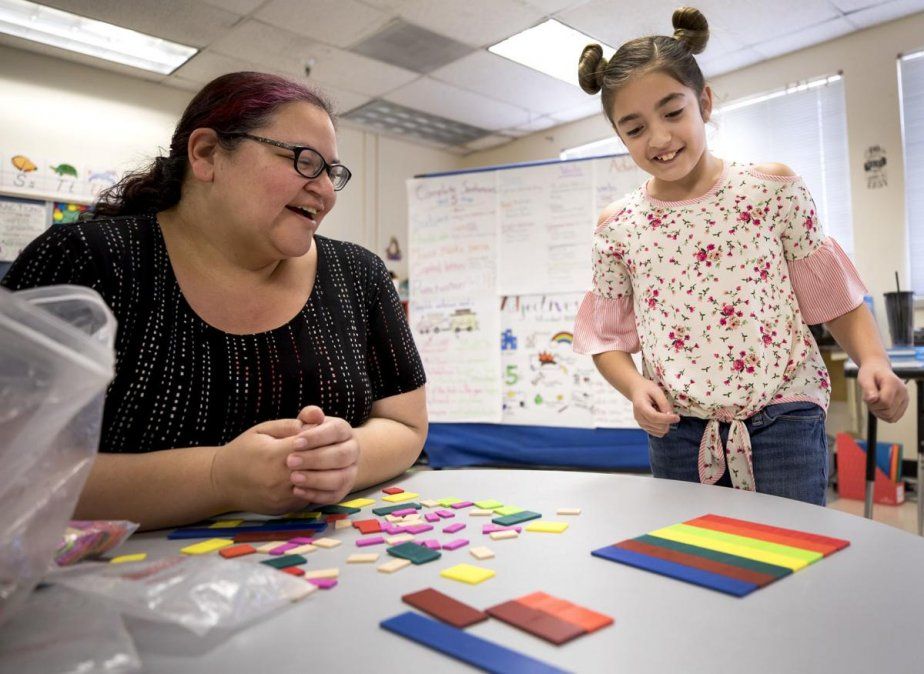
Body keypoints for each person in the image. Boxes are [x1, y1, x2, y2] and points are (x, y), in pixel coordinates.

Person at [1, 72, 427, 529]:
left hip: (332, 572)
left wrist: (345, 460)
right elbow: (16, 469)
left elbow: (406, 425)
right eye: (304, 161)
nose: (324, 191)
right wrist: (218, 478)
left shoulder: (358, 276)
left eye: (331, 172)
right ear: (206, 154)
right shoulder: (82, 261)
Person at [572, 7, 907, 505]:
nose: (660, 138)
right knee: (695, 560)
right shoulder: (618, 228)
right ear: (620, 136)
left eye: (672, 111)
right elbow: (607, 337)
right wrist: (634, 388)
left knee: (791, 555)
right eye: (635, 128)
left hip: (783, 416)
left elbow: (832, 295)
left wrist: (874, 359)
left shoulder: (770, 189)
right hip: (679, 429)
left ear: (703, 102)